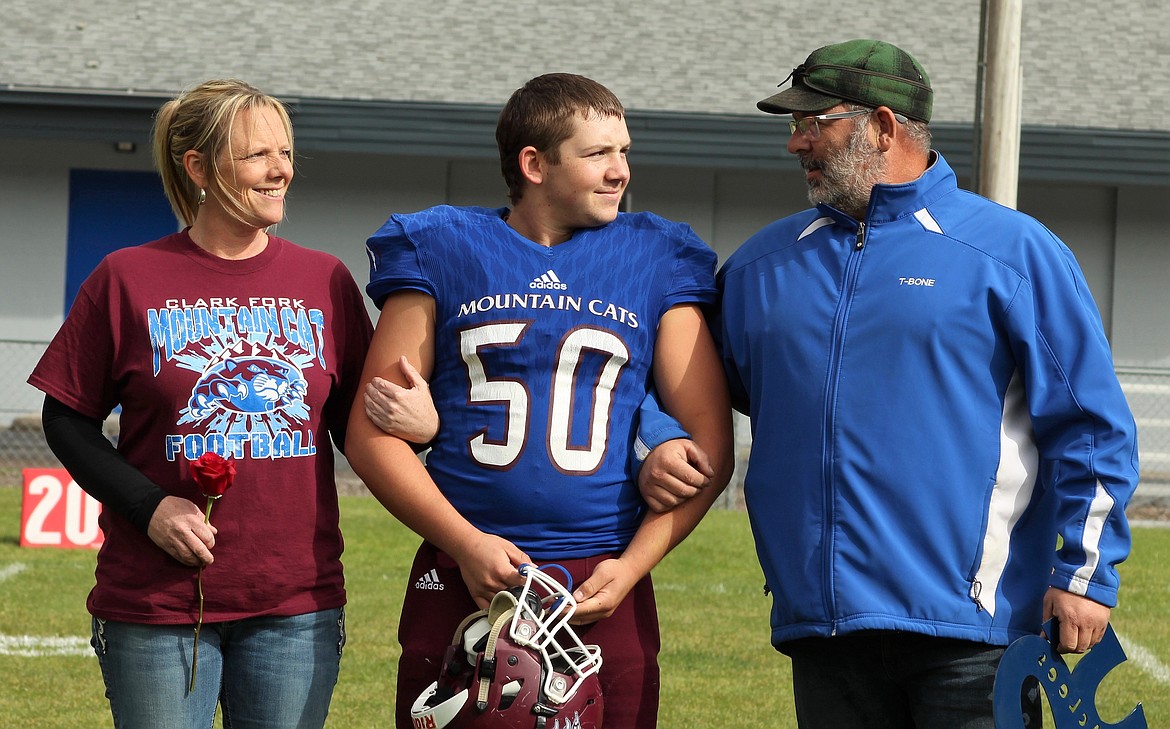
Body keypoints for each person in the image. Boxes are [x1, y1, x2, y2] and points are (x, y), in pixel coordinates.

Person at [642, 39, 1140, 728]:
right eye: (794, 126)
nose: (796, 143)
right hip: (824, 632)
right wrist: (658, 435)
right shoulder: (760, 269)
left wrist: (1084, 576)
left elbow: (1090, 427)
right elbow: (663, 380)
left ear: (881, 125)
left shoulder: (1015, 253)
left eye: (814, 123)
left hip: (975, 635)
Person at [344, 72, 733, 728]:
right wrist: (465, 543)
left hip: (600, 571)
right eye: (597, 154)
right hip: (464, 568)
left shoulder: (655, 254)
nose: (620, 171)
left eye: (624, 151)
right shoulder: (443, 246)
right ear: (533, 163)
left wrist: (631, 567)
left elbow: (708, 447)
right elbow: (370, 434)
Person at [28, 79, 385, 728]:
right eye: (257, 155)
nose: (281, 170)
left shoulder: (325, 280)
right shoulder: (126, 277)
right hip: (156, 606)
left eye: (285, 152)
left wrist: (419, 426)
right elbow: (66, 417)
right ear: (197, 166)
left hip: (295, 606)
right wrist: (149, 505)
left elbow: (363, 430)